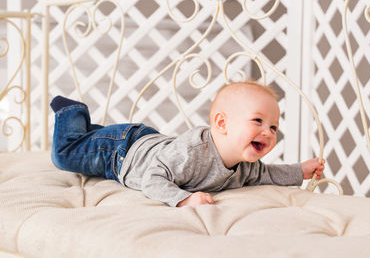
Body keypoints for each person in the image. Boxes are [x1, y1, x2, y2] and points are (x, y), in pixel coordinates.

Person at [51, 81, 324, 207]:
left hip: (146, 143)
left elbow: (268, 174)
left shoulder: (243, 166)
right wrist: (183, 199)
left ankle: (90, 132)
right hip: (121, 151)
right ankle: (71, 111)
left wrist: (300, 171)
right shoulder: (192, 154)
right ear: (221, 123)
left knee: (87, 142)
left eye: (273, 127)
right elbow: (152, 178)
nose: (268, 132)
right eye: (257, 121)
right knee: (64, 155)